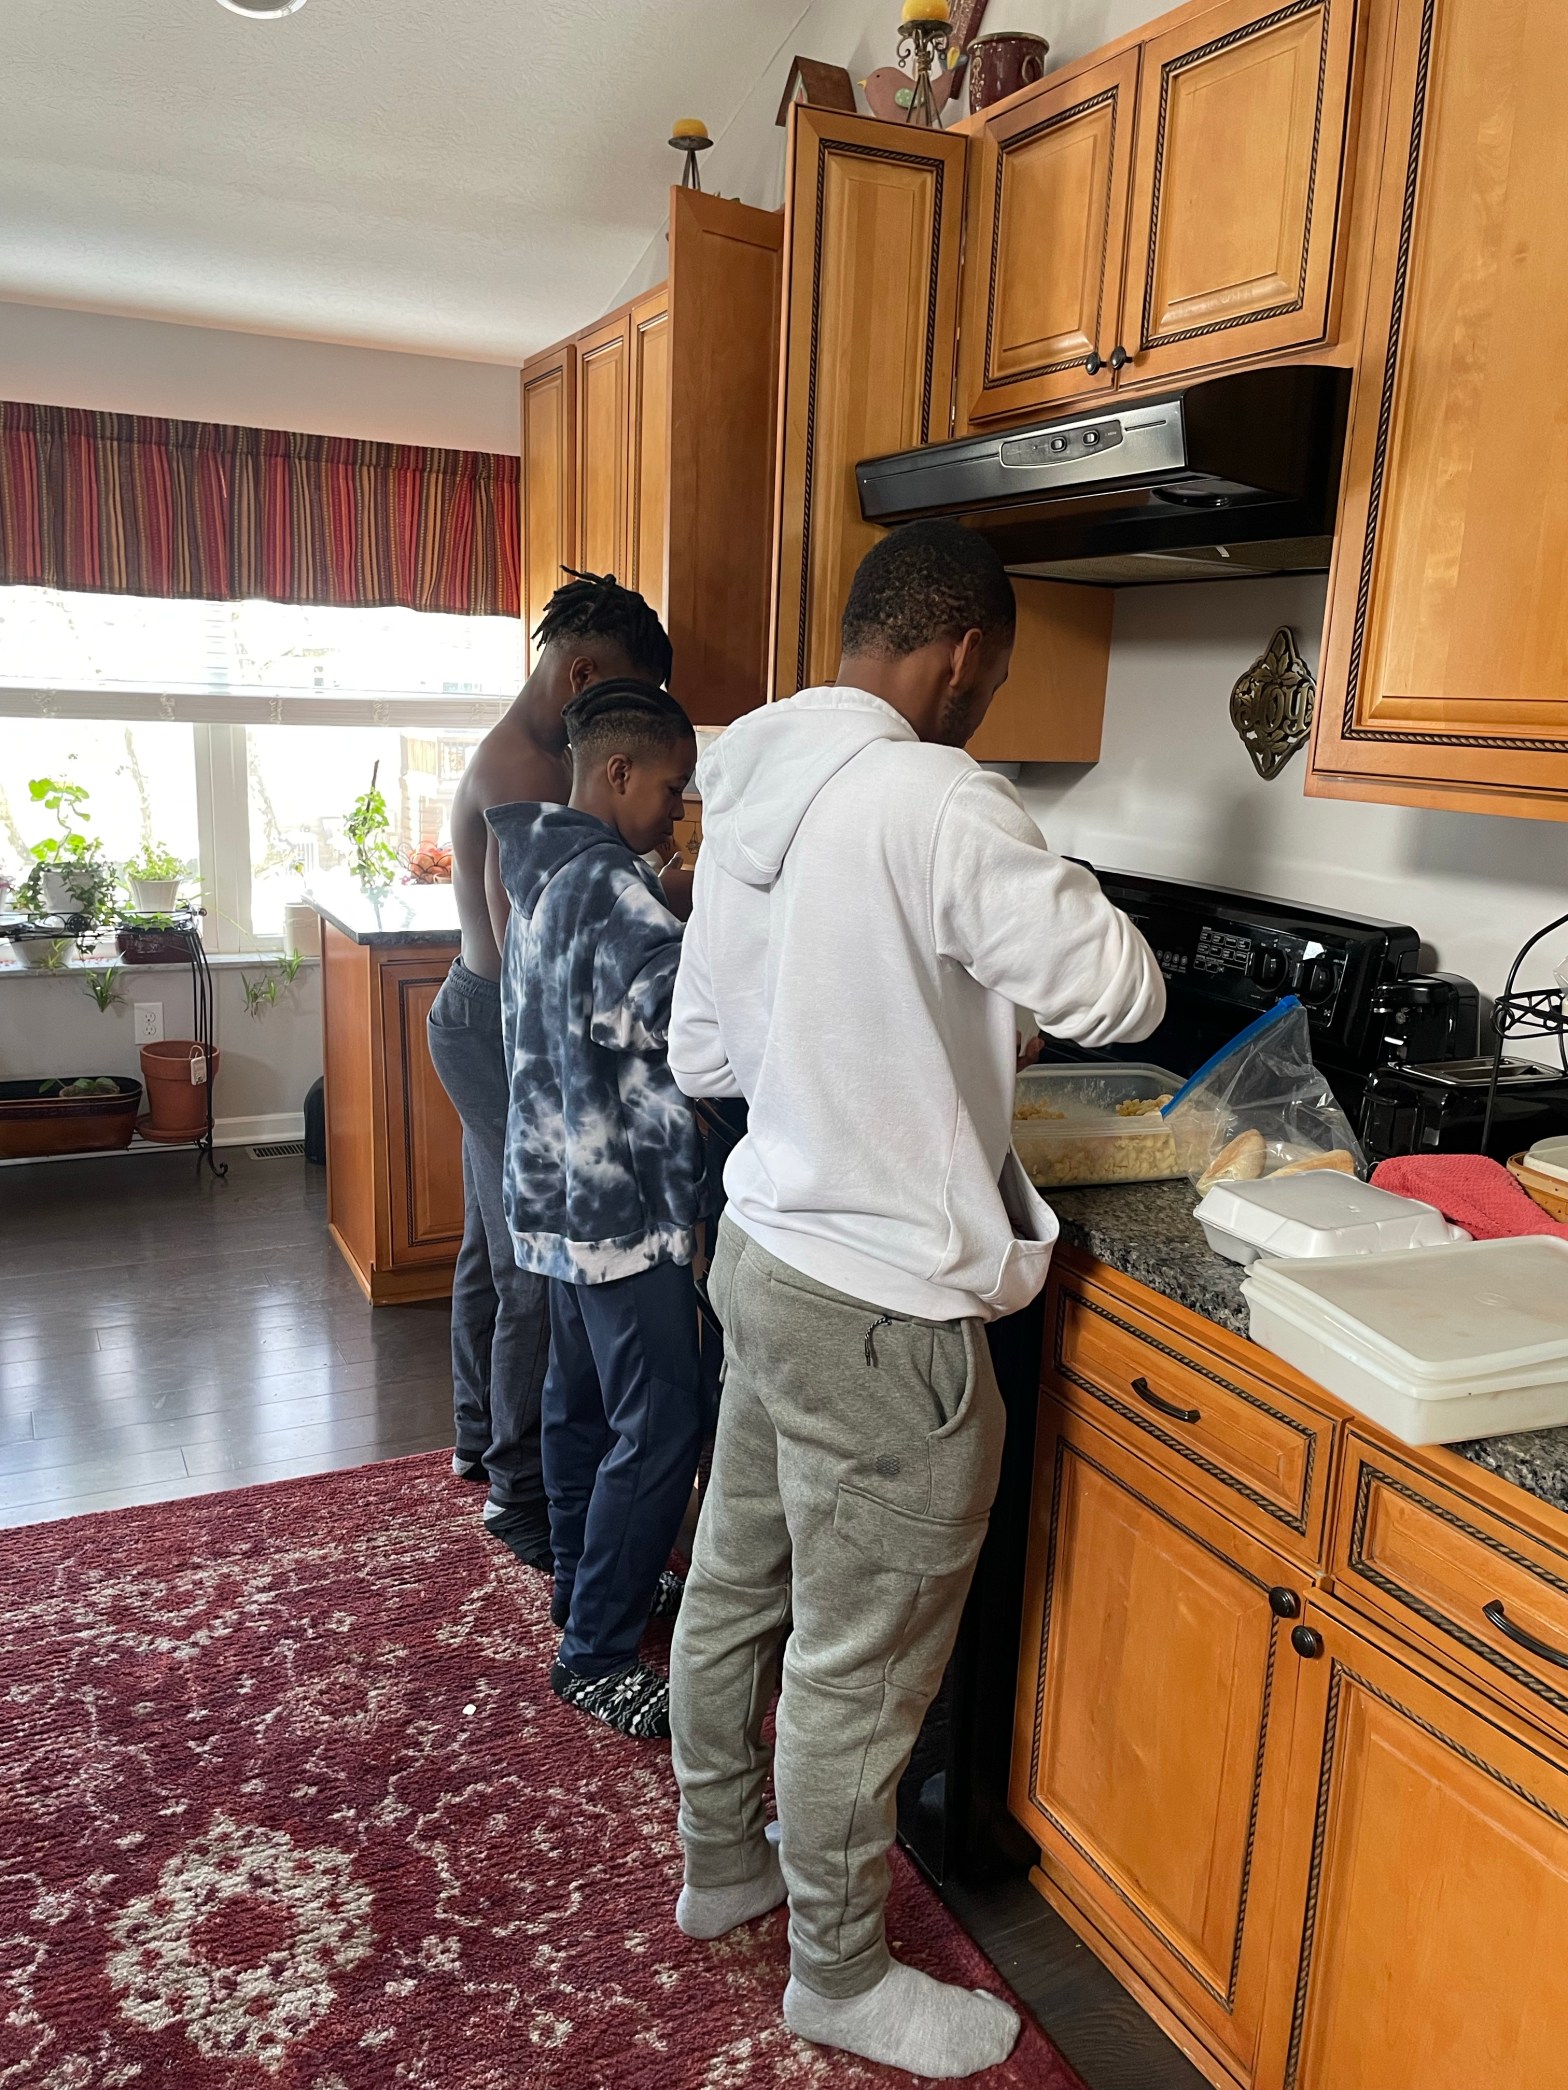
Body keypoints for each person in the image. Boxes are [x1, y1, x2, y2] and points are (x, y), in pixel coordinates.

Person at [665, 519, 1165, 2079]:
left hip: (766, 1256)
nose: (988, 700)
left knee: (736, 1583)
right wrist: (984, 975)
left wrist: (905, 1016)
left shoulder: (747, 787)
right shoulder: (941, 796)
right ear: (966, 654)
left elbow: (705, 1052)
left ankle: (722, 1861)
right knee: (859, 1667)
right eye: (996, 678)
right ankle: (838, 1972)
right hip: (884, 1313)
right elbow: (1126, 988)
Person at [427, 571, 673, 1571]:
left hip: (473, 1011)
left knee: (489, 1246)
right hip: (497, 1029)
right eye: (624, 693)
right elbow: (541, 964)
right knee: (536, 1260)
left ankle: (476, 1437)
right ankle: (517, 1490)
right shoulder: (525, 776)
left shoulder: (525, 751)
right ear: (582, 674)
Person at [486, 680, 708, 1740]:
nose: (677, 810)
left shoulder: (541, 866)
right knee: (660, 1421)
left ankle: (585, 1586)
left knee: (579, 1408)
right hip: (621, 1205)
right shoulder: (613, 891)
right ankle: (597, 1653)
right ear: (619, 771)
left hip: (553, 1193)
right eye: (671, 788)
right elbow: (692, 1026)